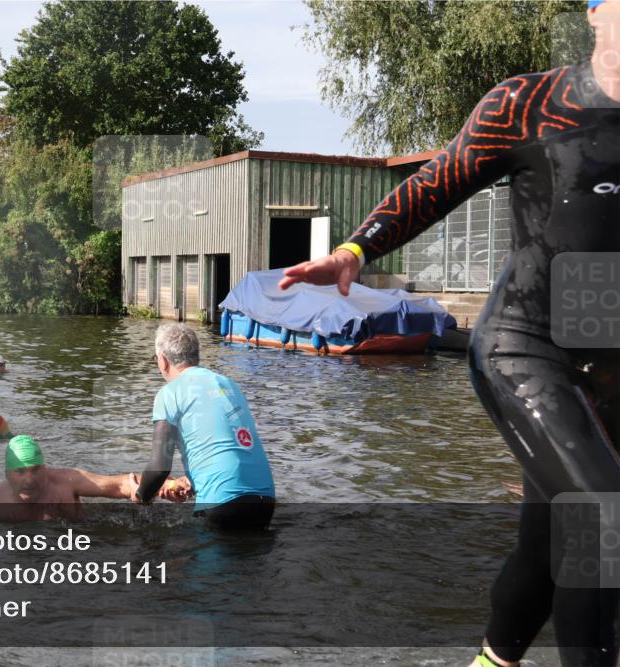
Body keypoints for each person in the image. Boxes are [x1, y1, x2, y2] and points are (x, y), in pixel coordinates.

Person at [280, 3, 619, 664]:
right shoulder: (530, 103)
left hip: (609, 370)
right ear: (598, 14)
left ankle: (492, 659)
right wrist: (356, 249)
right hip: (527, 347)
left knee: (549, 546)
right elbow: (439, 179)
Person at [134, 323, 276, 531]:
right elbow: (226, 444)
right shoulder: (228, 383)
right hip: (265, 501)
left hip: (223, 503)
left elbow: (159, 468)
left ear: (163, 361)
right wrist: (193, 481)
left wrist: (141, 498)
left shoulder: (169, 393)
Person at [0, 435, 190, 522]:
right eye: (20, 472)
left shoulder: (67, 482)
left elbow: (120, 484)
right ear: (7, 474)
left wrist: (164, 484)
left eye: (35, 470)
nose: (29, 480)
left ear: (45, 467)